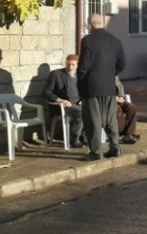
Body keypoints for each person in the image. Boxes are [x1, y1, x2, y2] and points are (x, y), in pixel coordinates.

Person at [77, 14, 126, 160]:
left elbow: (84, 65)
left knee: (93, 120)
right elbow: (122, 63)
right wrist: (110, 74)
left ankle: (96, 151)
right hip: (109, 87)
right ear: (102, 23)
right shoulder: (115, 41)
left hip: (91, 87)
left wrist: (80, 80)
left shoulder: (88, 40)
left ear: (90, 25)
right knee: (111, 119)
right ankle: (115, 147)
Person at [43, 54, 85, 148]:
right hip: (63, 106)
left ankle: (84, 135)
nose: (70, 67)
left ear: (78, 65)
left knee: (94, 110)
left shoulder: (81, 75)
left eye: (73, 65)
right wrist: (61, 100)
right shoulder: (56, 74)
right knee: (82, 113)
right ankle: (73, 139)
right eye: (68, 64)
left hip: (78, 104)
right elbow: (46, 92)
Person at [114, 76, 139, 144]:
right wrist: (113, 98)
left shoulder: (114, 75)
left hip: (118, 99)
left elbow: (120, 86)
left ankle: (128, 134)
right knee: (118, 109)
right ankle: (121, 133)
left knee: (131, 107)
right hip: (108, 101)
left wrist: (121, 96)